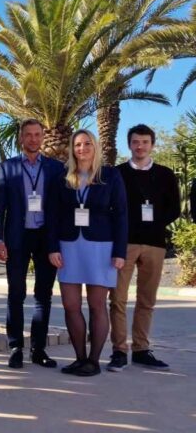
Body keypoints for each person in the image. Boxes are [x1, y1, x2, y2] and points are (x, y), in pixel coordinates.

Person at [47, 130, 127, 377]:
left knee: (96, 305)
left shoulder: (110, 175)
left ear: (95, 146)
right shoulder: (62, 177)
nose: (82, 148)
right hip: (68, 246)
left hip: (101, 247)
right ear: (72, 149)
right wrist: (52, 247)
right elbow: (52, 215)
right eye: (78, 144)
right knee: (70, 305)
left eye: (87, 144)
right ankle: (80, 358)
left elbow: (121, 214)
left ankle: (93, 361)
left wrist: (120, 251)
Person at [107, 125, 180, 371]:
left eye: (145, 142)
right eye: (136, 142)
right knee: (117, 299)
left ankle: (141, 349)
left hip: (155, 244)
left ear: (152, 145)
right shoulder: (117, 173)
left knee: (147, 300)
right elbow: (110, 207)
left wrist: (154, 223)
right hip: (124, 244)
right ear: (129, 144)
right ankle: (119, 351)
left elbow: (174, 208)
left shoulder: (165, 174)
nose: (140, 146)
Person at [0, 119, 65, 369]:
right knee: (16, 293)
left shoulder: (56, 168)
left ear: (42, 137)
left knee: (43, 295)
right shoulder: (8, 167)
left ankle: (38, 349)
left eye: (37, 134)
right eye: (28, 135)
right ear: (21, 138)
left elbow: (62, 206)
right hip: (17, 236)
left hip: (47, 238)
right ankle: (15, 347)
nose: (33, 139)